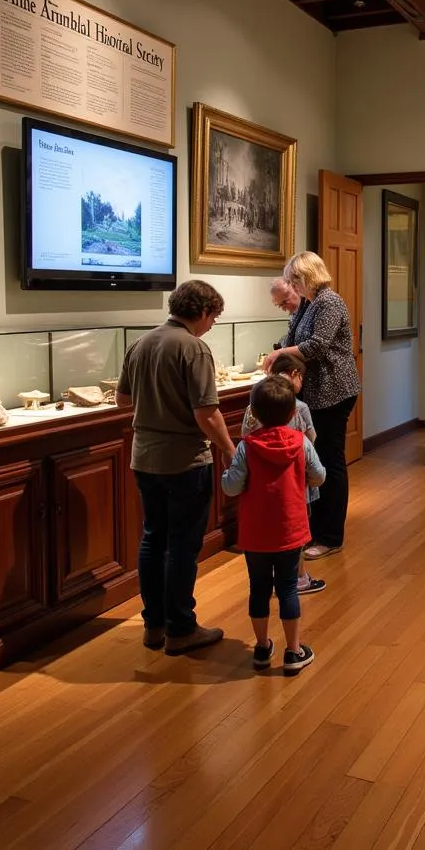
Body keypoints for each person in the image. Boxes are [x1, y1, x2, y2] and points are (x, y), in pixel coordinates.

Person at [116, 280, 236, 654]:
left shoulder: (140, 343)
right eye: (214, 317)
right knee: (183, 547)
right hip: (184, 460)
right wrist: (231, 449)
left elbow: (122, 401)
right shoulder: (194, 348)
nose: (212, 324)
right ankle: (181, 627)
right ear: (202, 311)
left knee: (153, 539)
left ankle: (153, 625)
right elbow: (207, 414)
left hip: (144, 457)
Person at [222, 375, 326, 675]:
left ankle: (262, 646)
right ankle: (293, 651)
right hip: (291, 530)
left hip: (255, 533)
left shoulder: (247, 447)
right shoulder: (301, 442)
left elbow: (232, 487)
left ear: (252, 413)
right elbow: (319, 476)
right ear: (294, 412)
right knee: (288, 589)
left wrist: (225, 476)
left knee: (258, 589)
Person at [264, 251, 360, 560]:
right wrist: (278, 354)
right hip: (315, 392)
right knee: (314, 461)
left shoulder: (329, 302)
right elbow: (292, 339)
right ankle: (314, 529)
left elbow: (317, 346)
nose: (292, 286)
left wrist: (277, 357)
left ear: (307, 276)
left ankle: (330, 536)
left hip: (333, 390)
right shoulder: (308, 303)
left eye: (294, 279)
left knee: (329, 460)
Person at [241, 351, 326, 595]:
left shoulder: (253, 405)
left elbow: (245, 436)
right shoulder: (300, 408)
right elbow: (312, 439)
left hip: (261, 485)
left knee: (268, 528)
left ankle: (269, 578)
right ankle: (298, 578)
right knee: (297, 532)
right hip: (296, 483)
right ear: (295, 374)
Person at [269, 276, 307, 349]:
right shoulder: (295, 314)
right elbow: (289, 340)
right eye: (280, 305)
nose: (284, 309)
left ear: (295, 289)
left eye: (285, 302)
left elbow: (313, 346)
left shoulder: (312, 307)